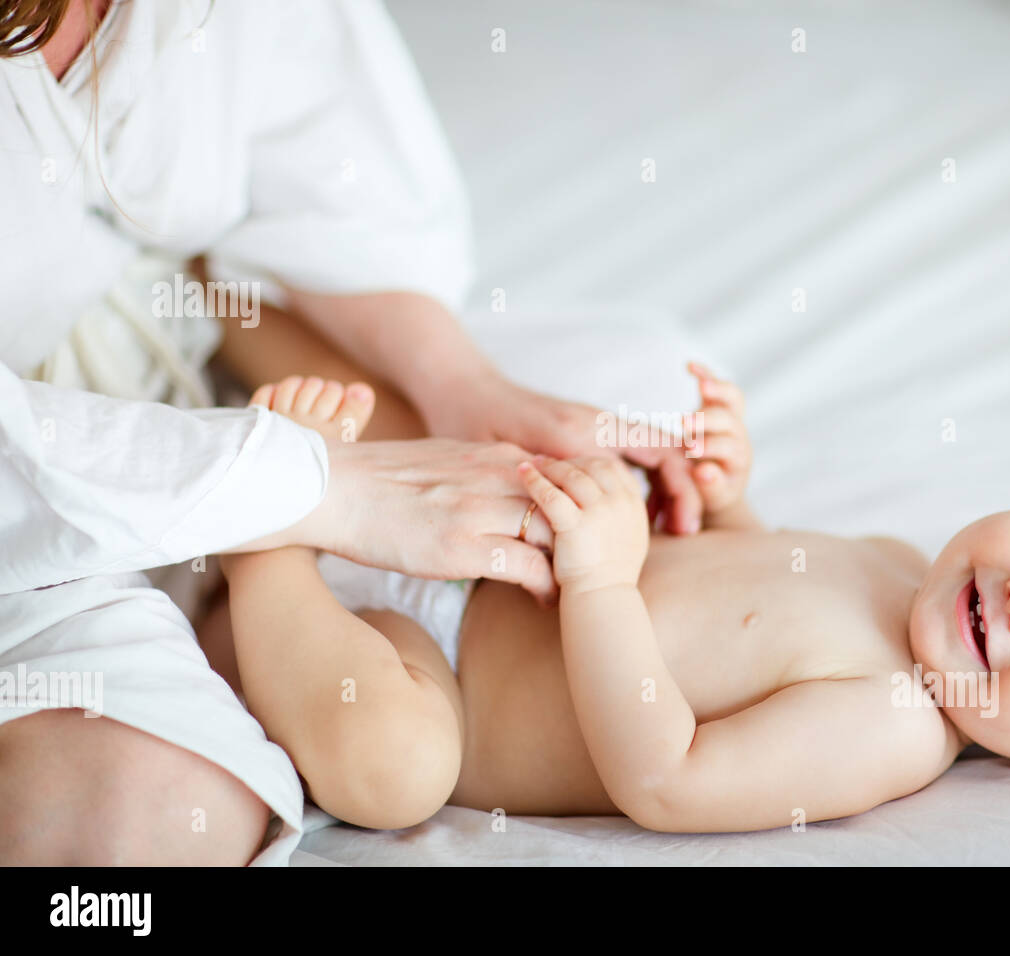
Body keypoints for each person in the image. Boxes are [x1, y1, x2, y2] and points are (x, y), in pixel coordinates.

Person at [0, 0, 698, 864]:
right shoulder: (890, 696)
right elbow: (671, 774)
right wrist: (292, 494)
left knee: (664, 386)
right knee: (377, 768)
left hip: (267, 406)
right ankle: (261, 554)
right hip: (48, 482)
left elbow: (306, 169)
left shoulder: (891, 613)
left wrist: (461, 388)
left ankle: (259, 546)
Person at [213, 365, 1010, 833]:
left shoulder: (892, 726)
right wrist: (724, 499)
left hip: (438, 675)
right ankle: (305, 478)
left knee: (396, 769)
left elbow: (668, 775)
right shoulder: (894, 559)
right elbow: (750, 584)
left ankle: (259, 543)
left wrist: (598, 578)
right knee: (509, 417)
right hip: (474, 545)